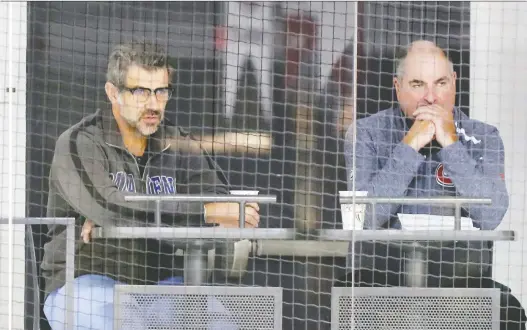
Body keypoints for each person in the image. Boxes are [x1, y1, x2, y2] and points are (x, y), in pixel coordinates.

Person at [40, 40, 259, 330]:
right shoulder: (80, 142)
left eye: (161, 91)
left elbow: (216, 199)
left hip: (162, 285)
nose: (154, 104)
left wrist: (215, 213)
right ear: (113, 93)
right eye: (141, 92)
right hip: (86, 280)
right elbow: (109, 205)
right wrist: (204, 212)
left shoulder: (179, 144)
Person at [338, 40, 525, 329]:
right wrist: (411, 144)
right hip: (381, 280)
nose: (430, 98)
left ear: (454, 82)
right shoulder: (366, 133)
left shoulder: (483, 136)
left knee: (510, 312)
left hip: (458, 284)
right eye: (417, 84)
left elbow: (491, 215)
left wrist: (451, 144)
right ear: (398, 87)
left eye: (440, 83)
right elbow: (362, 217)